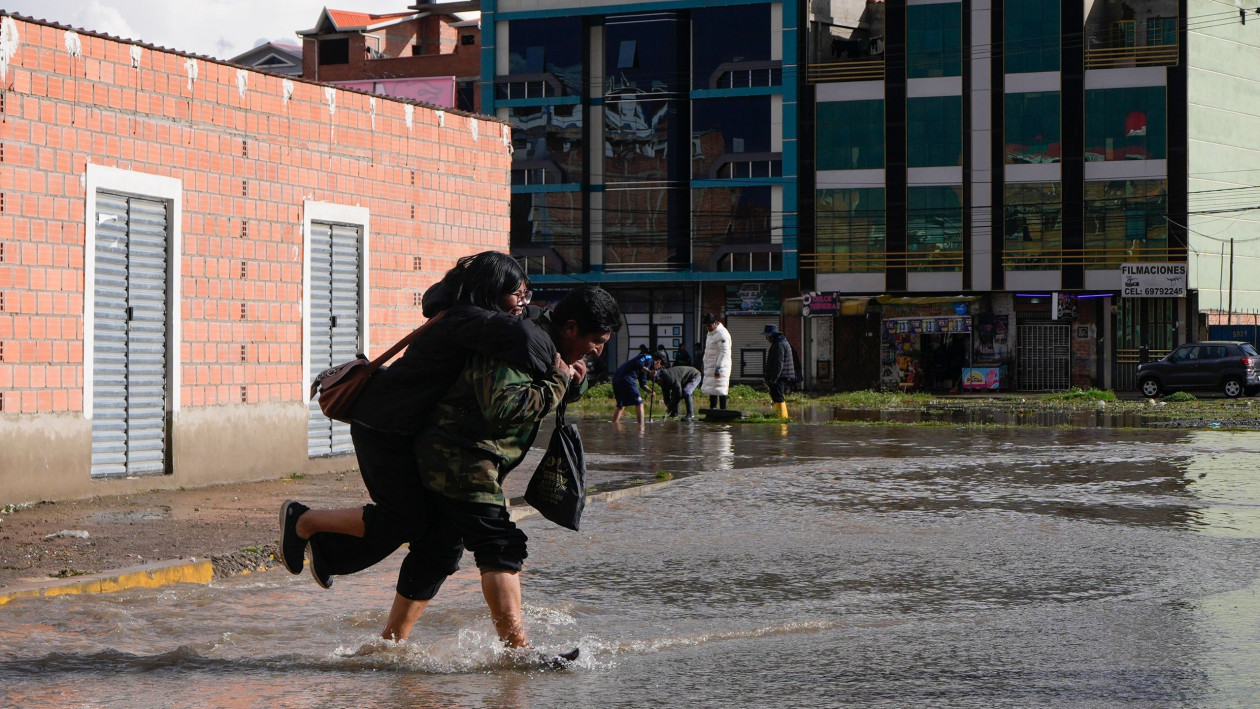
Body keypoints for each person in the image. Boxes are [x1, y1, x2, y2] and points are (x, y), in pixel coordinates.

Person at [281, 255, 621, 651]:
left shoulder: (518, 331)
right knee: (496, 542)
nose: (597, 352)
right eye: (595, 343)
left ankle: (389, 642)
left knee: (438, 547)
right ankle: (517, 651)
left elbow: (547, 373)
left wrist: (568, 379)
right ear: (571, 328)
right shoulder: (504, 334)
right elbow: (503, 406)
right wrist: (559, 380)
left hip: (442, 446)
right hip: (440, 449)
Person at [611, 349, 655, 424]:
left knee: (621, 405)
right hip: (626, 378)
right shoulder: (648, 357)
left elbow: (643, 385)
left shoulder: (643, 370)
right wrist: (650, 372)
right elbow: (638, 363)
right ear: (658, 362)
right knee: (639, 403)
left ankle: (614, 425)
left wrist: (651, 391)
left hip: (616, 379)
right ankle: (641, 428)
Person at [763, 324, 796, 418]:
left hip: (780, 376)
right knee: (777, 396)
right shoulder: (780, 342)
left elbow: (779, 362)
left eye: (767, 336)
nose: (766, 339)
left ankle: (782, 417)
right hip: (781, 375)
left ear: (771, 336)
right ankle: (779, 415)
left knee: (778, 396)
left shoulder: (779, 345)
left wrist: (774, 378)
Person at [699, 312, 731, 409]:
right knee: (712, 389)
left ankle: (723, 410)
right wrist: (704, 363)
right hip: (711, 365)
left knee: (720, 388)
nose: (707, 328)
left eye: (709, 325)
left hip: (720, 366)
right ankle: (712, 410)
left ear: (715, 323)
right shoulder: (711, 334)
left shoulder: (722, 334)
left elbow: (724, 352)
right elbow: (707, 350)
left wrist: (719, 367)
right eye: (706, 326)